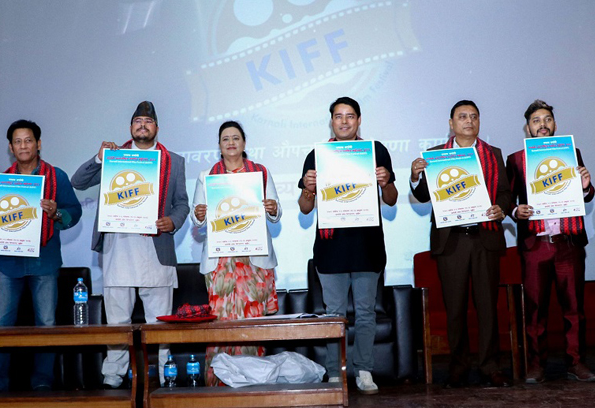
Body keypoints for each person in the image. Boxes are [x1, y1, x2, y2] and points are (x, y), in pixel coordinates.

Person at [71, 101, 189, 389]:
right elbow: (78, 181)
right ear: (130, 127)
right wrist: (99, 158)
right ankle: (113, 376)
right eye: (138, 121)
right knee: (117, 322)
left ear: (157, 128)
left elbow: (182, 203)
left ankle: (166, 375)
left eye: (148, 121)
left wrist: (173, 221)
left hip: (156, 248)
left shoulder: (173, 161)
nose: (142, 125)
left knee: (160, 323)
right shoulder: (114, 157)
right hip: (119, 248)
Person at [298, 97, 397, 394]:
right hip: (331, 248)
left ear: (359, 120)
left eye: (350, 116)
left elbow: (391, 199)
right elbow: (305, 208)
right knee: (334, 315)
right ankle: (334, 373)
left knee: (366, 312)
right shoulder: (317, 155)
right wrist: (308, 189)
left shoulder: (375, 151)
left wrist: (386, 182)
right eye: (338, 116)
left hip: (367, 246)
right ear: (331, 121)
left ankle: (364, 370)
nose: (344, 121)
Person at [410, 100, 512, 388]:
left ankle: (490, 366)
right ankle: (458, 366)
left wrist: (501, 208)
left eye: (474, 116)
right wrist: (416, 175)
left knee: (487, 307)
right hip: (452, 240)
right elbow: (422, 196)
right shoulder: (436, 155)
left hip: (484, 237)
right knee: (455, 308)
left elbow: (505, 193)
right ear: (451, 123)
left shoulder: (493, 154)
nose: (469, 121)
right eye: (463, 116)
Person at [0, 120, 82, 392]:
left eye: (28, 140)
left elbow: (74, 212)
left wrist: (56, 212)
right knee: (2, 324)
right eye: (18, 141)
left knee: (46, 324)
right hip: (9, 263)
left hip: (44, 260)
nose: (23, 146)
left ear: (38, 144)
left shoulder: (56, 176)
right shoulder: (1, 182)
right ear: (10, 147)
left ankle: (42, 380)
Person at [505, 99, 595, 384]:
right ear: (528, 128)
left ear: (554, 124)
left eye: (547, 120)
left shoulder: (571, 153)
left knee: (574, 309)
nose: (542, 125)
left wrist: (586, 186)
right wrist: (515, 211)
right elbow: (507, 199)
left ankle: (576, 362)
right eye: (536, 121)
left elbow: (587, 194)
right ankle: (536, 365)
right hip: (536, 244)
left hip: (568, 243)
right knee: (534, 311)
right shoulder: (516, 160)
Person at [191, 121, 281, 386]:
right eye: (225, 139)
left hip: (254, 262)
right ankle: (219, 388)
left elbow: (275, 214)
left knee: (252, 328)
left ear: (244, 143)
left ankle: (255, 386)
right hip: (221, 262)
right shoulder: (207, 176)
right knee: (221, 327)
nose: (231, 143)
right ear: (219, 146)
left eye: (235, 138)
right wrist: (199, 215)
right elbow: (197, 220)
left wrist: (273, 208)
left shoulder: (260, 173)